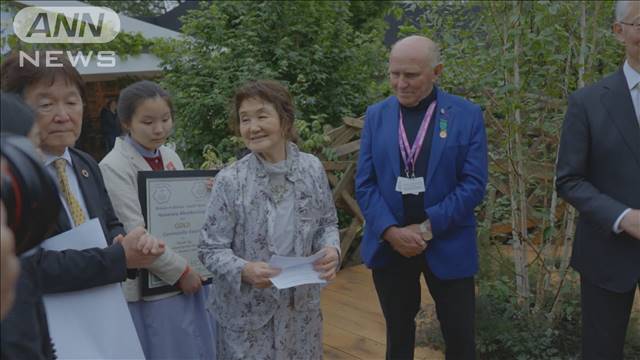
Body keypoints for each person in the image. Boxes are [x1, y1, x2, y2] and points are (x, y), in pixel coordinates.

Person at [0, 53, 164, 359]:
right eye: (46, 104)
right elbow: (27, 267)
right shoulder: (12, 179)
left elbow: (108, 224)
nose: (62, 115)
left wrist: (130, 243)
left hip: (103, 324)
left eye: (72, 101)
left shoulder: (86, 163)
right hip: (45, 330)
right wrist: (117, 258)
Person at [355, 35, 488, 360]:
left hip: (448, 241)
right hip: (391, 245)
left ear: (436, 71)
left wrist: (426, 229)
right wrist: (390, 231)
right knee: (398, 337)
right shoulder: (376, 115)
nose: (400, 83)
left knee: (460, 339)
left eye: (411, 75)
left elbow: (473, 184)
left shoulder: (466, 115)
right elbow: (365, 183)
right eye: (394, 74)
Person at [198, 80, 340, 359]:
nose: (253, 127)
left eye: (262, 116)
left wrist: (332, 249)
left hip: (300, 312)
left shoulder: (311, 168)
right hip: (248, 316)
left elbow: (327, 223)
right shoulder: (231, 180)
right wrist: (244, 269)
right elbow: (209, 249)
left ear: (285, 119)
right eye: (245, 119)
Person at [99, 80, 217, 359]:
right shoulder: (113, 166)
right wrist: (181, 271)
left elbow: (186, 212)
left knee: (197, 346)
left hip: (189, 272)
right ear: (127, 122)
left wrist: (206, 192)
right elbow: (133, 231)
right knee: (167, 348)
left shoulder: (170, 155)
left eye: (165, 119)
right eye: (148, 121)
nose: (159, 129)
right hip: (153, 284)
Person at [555, 1, 640, 358]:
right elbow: (569, 179)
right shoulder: (587, 102)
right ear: (618, 31)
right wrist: (624, 217)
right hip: (608, 252)